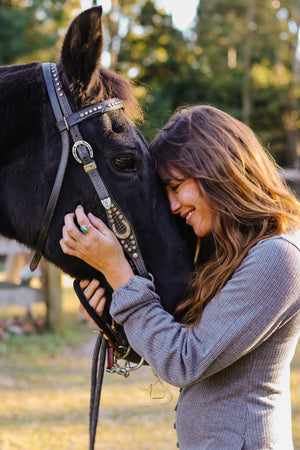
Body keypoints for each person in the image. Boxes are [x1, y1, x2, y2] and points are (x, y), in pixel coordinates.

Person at [60, 105, 300, 449]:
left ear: (218, 171)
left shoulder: (279, 257)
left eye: (176, 186)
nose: (172, 206)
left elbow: (186, 360)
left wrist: (119, 272)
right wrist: (116, 324)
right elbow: (180, 345)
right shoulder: (231, 251)